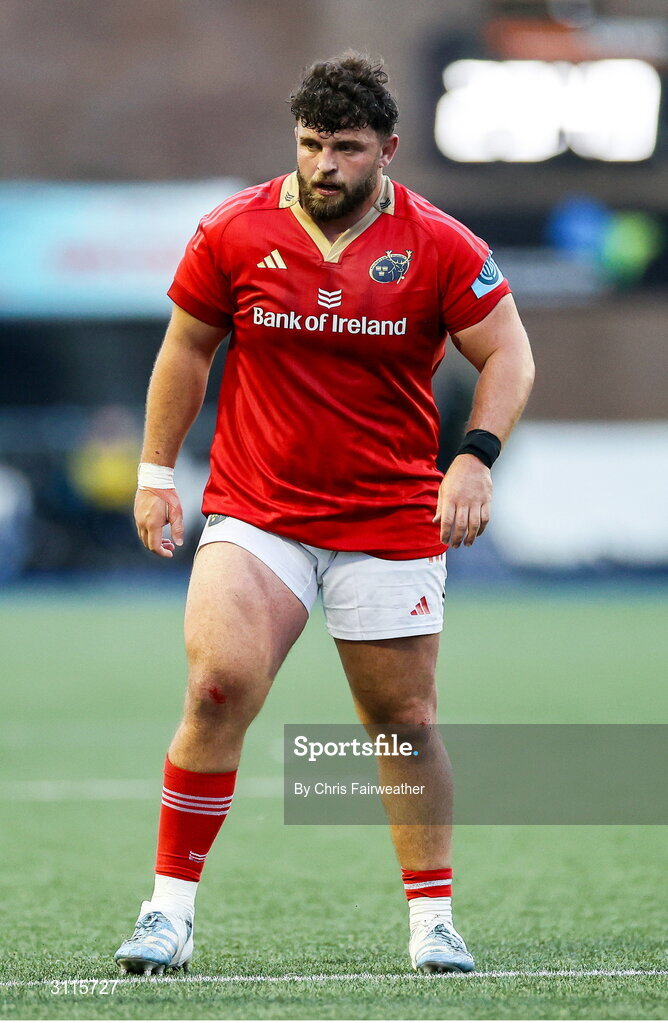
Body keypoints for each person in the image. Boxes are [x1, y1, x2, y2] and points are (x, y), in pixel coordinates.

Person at [114, 52, 534, 977]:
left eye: (346, 147)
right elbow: (187, 348)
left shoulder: (442, 244)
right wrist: (153, 470)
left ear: (387, 148)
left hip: (387, 516)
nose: (324, 166)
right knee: (217, 683)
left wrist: (474, 455)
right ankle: (167, 912)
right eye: (310, 145)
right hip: (257, 508)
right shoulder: (233, 229)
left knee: (406, 723)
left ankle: (433, 923)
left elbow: (509, 352)